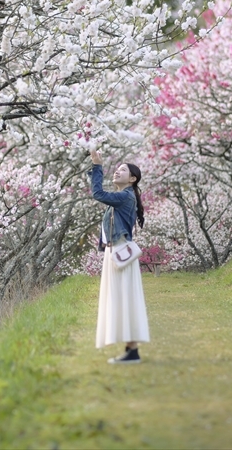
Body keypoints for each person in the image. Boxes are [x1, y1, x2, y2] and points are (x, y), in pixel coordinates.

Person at [89, 148, 150, 364]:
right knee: (124, 300)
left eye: (122, 170)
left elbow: (98, 194)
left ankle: (131, 351)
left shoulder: (125, 196)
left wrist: (97, 166)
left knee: (123, 299)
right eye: (116, 169)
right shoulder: (125, 196)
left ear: (132, 179)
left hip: (120, 253)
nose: (117, 172)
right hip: (117, 251)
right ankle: (131, 350)